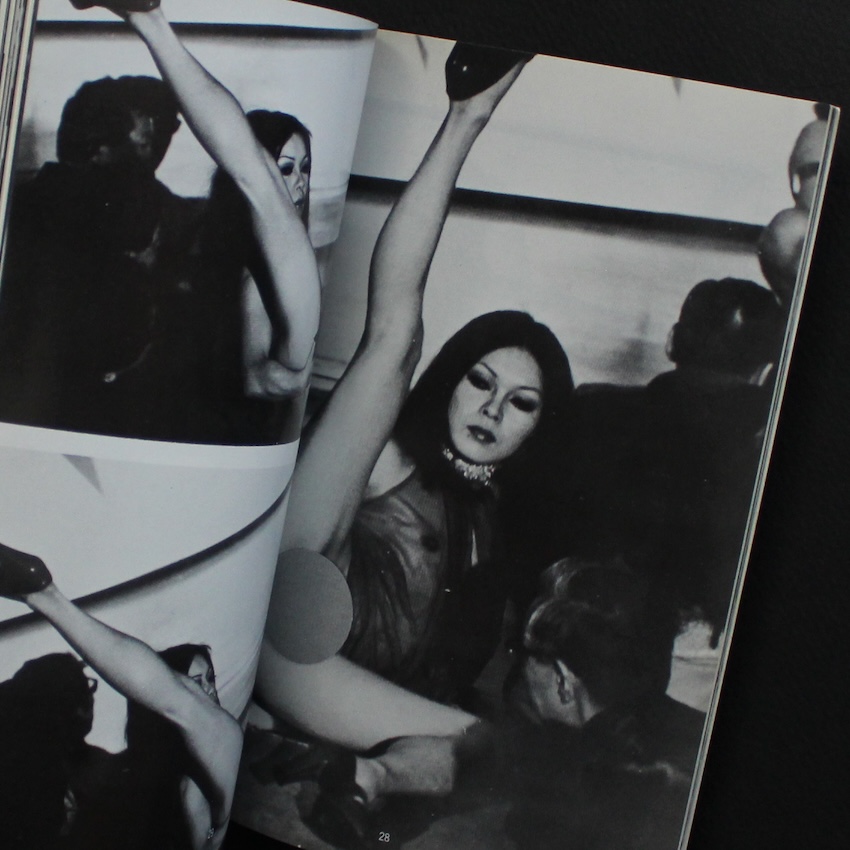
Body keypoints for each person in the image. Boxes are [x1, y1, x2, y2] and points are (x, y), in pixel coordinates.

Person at [252, 41, 572, 846]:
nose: (491, 409)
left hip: (350, 699)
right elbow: (396, 318)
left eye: (521, 402)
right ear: (449, 382)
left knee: (496, 752)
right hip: (288, 652)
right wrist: (466, 119)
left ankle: (358, 784)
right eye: (478, 381)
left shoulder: (493, 513)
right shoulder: (391, 452)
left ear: (541, 426)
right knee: (391, 341)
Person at [0, 540, 242, 850]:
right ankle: (43, 596)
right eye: (195, 682)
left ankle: (44, 596)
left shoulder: (185, 779)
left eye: (210, 679)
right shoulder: (128, 776)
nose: (208, 689)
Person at [502, 558, 705, 850]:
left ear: (563, 682)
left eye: (525, 657)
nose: (522, 674)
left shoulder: (558, 805)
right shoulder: (690, 735)